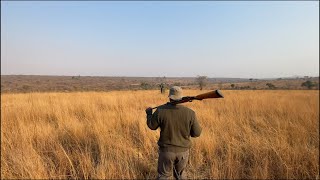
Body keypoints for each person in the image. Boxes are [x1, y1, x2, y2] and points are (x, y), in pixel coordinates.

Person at [145, 86, 202, 179]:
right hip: (183, 152)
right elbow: (197, 133)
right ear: (181, 97)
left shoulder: (160, 110)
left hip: (166, 151)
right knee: (180, 176)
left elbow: (152, 126)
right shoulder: (190, 113)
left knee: (163, 176)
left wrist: (149, 114)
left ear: (170, 97)